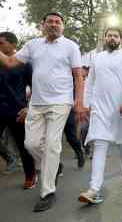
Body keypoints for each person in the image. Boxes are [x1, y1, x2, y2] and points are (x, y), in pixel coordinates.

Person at [0, 12, 85, 212]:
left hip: (60, 102)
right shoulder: (33, 45)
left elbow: (78, 76)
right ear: (42, 25)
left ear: (63, 26)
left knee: (52, 144)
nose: (54, 24)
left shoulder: (71, 46)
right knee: (30, 144)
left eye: (58, 22)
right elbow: (11, 63)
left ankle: (48, 192)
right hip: (37, 103)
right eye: (50, 21)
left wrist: (79, 102)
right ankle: (53, 166)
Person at [78, 27, 122, 204]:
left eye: (116, 35)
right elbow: (90, 84)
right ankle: (94, 189)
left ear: (121, 39)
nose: (112, 38)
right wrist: (86, 105)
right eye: (109, 35)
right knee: (99, 145)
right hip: (100, 111)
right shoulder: (96, 58)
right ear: (104, 38)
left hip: (121, 110)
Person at [0, 31, 36, 188]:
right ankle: (10, 160)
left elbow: (36, 87)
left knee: (24, 146)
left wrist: (29, 108)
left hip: (18, 111)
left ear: (13, 45)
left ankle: (30, 176)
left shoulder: (25, 64)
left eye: (1, 43)